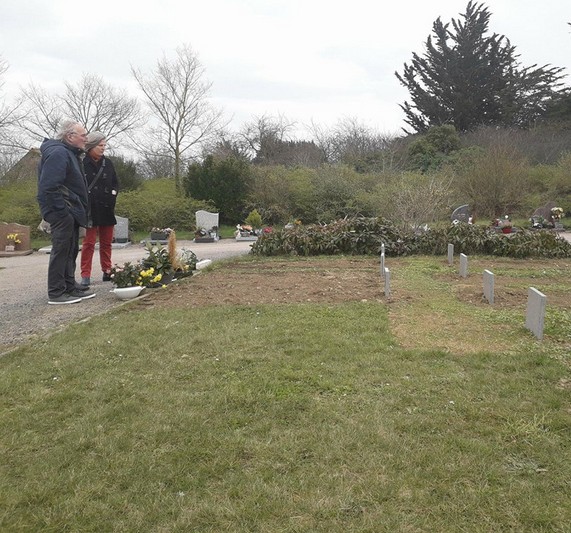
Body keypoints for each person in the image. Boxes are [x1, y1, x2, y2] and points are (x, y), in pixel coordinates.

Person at [37, 120, 96, 304]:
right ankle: (56, 292)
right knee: (61, 250)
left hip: (71, 209)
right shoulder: (59, 153)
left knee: (70, 250)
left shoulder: (69, 153)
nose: (86, 139)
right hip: (62, 211)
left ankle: (70, 286)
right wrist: (63, 211)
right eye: (83, 135)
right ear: (70, 137)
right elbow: (49, 186)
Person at [79, 132, 119, 286]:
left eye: (104, 145)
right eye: (100, 145)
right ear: (91, 146)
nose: (103, 148)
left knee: (107, 242)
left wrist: (112, 197)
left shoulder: (108, 163)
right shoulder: (81, 163)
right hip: (89, 209)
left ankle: (107, 270)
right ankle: (85, 274)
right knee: (88, 244)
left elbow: (115, 183)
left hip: (106, 208)